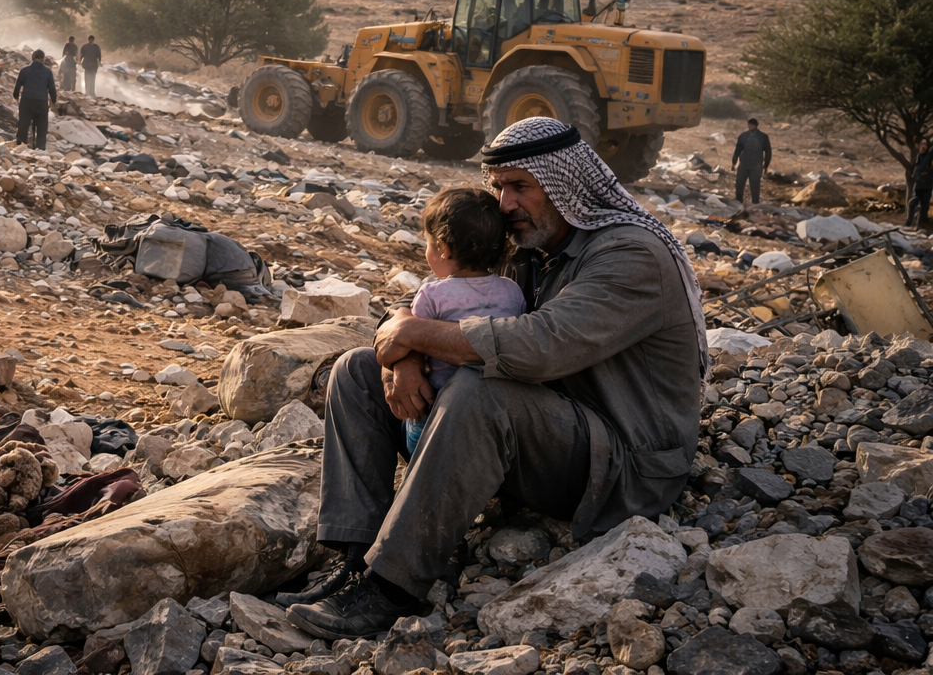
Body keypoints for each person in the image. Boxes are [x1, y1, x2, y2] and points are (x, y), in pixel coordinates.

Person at [287, 117, 705, 640]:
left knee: (478, 387)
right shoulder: (531, 247)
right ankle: (356, 557)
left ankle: (391, 586)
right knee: (357, 370)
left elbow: (538, 347)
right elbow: (442, 295)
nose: (505, 204)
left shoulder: (629, 255)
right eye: (499, 186)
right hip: (545, 429)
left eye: (521, 187)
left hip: (622, 464)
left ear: (564, 185)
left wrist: (412, 332)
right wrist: (404, 358)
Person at [399, 188, 526, 456]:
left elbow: (412, 343)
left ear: (442, 248)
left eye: (428, 243)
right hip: (493, 409)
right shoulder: (512, 291)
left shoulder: (432, 294)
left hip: (436, 409)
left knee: (411, 437)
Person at [14, 48, 57, 150]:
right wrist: (52, 101)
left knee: (23, 124)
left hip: (26, 101)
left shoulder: (24, 70)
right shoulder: (48, 72)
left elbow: (17, 88)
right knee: (41, 127)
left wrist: (17, 98)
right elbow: (52, 89)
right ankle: (40, 148)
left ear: (32, 58)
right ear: (43, 59)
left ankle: (20, 146)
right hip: (41, 102)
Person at [731, 118, 772, 205]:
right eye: (749, 125)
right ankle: (738, 203)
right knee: (739, 184)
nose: (751, 127)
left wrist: (766, 165)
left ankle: (755, 204)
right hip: (744, 164)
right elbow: (738, 150)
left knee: (755, 186)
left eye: (752, 125)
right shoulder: (743, 136)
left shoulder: (763, 137)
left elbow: (768, 151)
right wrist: (734, 162)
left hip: (756, 166)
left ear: (756, 125)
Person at [910, 141, 933, 228]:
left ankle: (919, 223)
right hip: (922, 184)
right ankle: (916, 223)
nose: (922, 149)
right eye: (922, 147)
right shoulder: (922, 157)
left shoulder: (926, 156)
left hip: (925, 183)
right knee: (918, 203)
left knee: (923, 204)